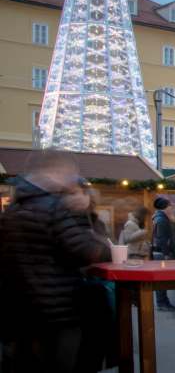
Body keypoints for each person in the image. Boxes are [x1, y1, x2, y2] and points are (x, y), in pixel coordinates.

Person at [0, 150, 112, 373]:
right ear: (56, 172)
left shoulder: (14, 207)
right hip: (58, 307)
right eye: (70, 174)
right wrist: (85, 218)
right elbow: (85, 251)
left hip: (21, 308)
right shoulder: (54, 206)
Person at [151, 196, 175, 311]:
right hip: (162, 254)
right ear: (165, 207)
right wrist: (166, 253)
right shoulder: (161, 220)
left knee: (162, 279)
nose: (171, 208)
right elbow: (161, 239)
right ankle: (162, 303)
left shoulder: (160, 218)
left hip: (160, 252)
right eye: (169, 206)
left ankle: (163, 302)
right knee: (161, 279)